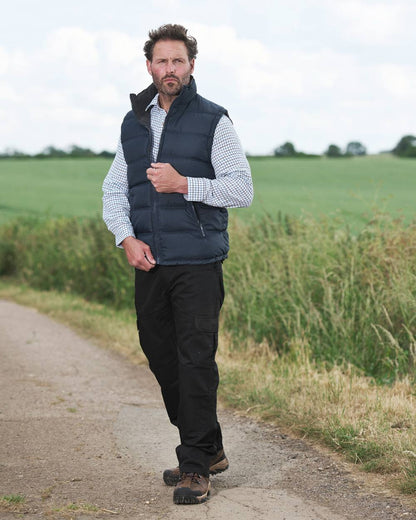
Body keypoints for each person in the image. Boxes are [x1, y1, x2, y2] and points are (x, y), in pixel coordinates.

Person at [102, 23, 253, 505]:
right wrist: (125, 237)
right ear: (149, 66)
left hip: (198, 262)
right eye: (162, 61)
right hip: (149, 263)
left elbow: (242, 189)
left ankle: (195, 468)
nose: (170, 69)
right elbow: (113, 190)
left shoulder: (214, 120)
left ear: (191, 67)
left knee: (194, 361)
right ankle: (208, 447)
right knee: (159, 353)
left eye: (179, 61)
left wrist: (184, 183)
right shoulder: (133, 123)